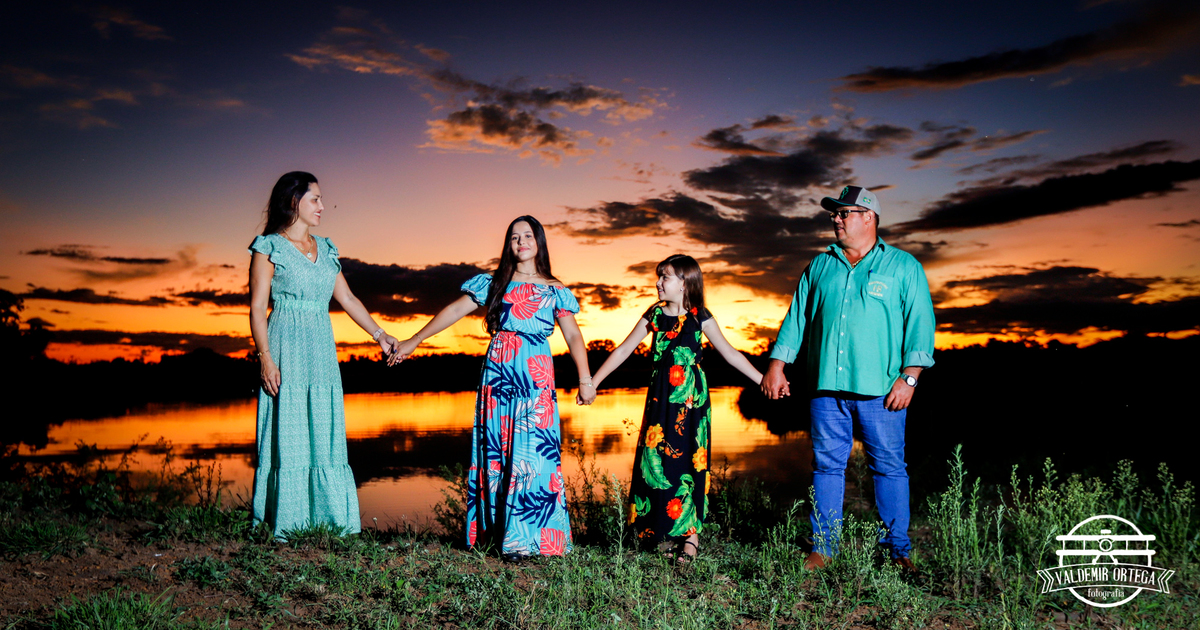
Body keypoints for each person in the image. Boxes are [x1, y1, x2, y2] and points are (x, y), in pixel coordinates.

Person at [391, 216, 591, 559]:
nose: (521, 242)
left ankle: (535, 541)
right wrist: (415, 339)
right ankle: (499, 538)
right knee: (497, 451)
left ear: (539, 242)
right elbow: (455, 310)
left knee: (534, 453)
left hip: (536, 376)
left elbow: (573, 335)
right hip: (499, 373)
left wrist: (585, 379)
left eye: (528, 236)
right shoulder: (494, 282)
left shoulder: (555, 289)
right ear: (508, 244)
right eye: (514, 237)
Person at [760, 186, 935, 574]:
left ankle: (896, 551)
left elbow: (920, 323)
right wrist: (777, 364)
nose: (835, 219)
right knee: (826, 466)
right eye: (834, 214)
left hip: (882, 390)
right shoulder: (820, 265)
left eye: (844, 213)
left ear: (869, 217)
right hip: (825, 388)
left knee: (889, 467)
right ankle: (824, 549)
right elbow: (797, 318)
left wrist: (910, 377)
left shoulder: (903, 266)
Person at [580, 255, 763, 563]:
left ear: (685, 283)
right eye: (659, 276)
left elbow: (731, 353)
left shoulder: (700, 316)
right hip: (660, 400)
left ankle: (690, 538)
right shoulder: (654, 314)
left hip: (692, 403)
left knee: (690, 465)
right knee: (657, 464)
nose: (658, 282)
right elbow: (623, 350)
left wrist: (763, 380)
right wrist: (592, 382)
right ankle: (661, 532)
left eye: (665, 277)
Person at [249, 171, 399, 540]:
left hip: (320, 346)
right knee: (288, 427)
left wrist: (380, 335)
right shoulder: (269, 247)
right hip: (284, 343)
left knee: (324, 426)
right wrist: (265, 358)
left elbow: (347, 298)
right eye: (314, 198)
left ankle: (329, 520)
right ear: (293, 201)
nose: (322, 205)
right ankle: (286, 521)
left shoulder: (327, 249)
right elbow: (256, 308)